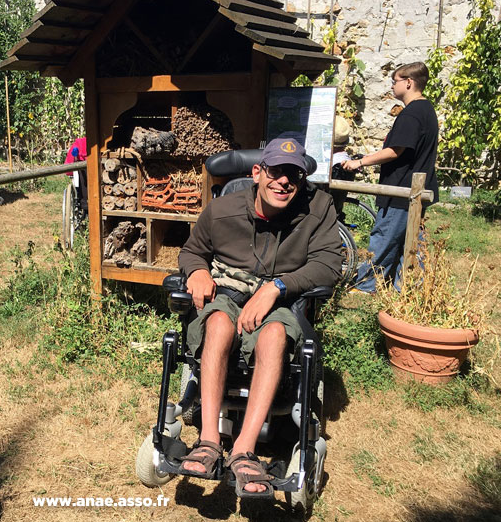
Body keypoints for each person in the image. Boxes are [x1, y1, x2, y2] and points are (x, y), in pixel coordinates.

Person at [177, 138, 341, 496]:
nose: (284, 182)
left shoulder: (318, 208)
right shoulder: (223, 210)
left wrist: (276, 287)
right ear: (257, 173)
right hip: (229, 291)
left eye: (294, 175)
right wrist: (196, 273)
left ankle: (243, 449)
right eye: (276, 172)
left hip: (282, 299)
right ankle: (208, 441)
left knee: (275, 336)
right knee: (218, 324)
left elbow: (329, 266)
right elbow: (193, 250)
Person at [341, 62, 439, 292]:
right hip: (416, 188)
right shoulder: (427, 110)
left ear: (409, 82)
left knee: (384, 240)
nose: (392, 86)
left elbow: (396, 150)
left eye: (395, 81)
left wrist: (360, 161)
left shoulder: (412, 114)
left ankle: (366, 287)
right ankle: (409, 290)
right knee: (412, 243)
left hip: (401, 190)